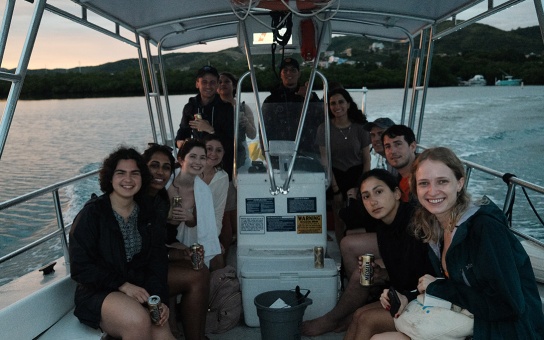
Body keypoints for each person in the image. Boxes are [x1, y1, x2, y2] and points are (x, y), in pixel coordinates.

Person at [372, 147, 544, 339]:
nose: (432, 191)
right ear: (415, 189)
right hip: (472, 322)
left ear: (460, 183)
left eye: (442, 181)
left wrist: (438, 288)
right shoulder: (435, 228)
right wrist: (407, 297)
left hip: (506, 331)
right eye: (424, 183)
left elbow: (508, 305)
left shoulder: (485, 230)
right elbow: (451, 284)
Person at [303, 169, 432, 337]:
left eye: (379, 192)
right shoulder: (385, 225)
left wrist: (385, 277)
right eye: (366, 196)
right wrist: (383, 275)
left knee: (364, 318)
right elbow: (402, 271)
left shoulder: (413, 225)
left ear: (397, 193)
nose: (373, 201)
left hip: (426, 297)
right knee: (357, 315)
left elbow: (415, 277)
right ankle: (337, 317)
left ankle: (332, 319)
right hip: (408, 290)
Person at [69, 146, 174, 340]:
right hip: (98, 291)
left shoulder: (147, 213)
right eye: (121, 173)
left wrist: (159, 299)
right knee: (137, 321)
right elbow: (80, 267)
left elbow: (157, 261)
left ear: (142, 178)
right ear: (110, 178)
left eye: (135, 173)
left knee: (162, 332)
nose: (128, 179)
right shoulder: (92, 215)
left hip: (138, 287)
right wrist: (122, 285)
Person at [143, 144, 210, 340]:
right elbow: (142, 248)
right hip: (136, 274)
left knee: (200, 267)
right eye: (154, 165)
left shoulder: (160, 197)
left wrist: (179, 249)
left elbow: (162, 236)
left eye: (165, 167)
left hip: (153, 262)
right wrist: (173, 253)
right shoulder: (137, 200)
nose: (160, 172)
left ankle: (193, 334)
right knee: (197, 276)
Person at [340, 124, 417, 282]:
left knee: (352, 251)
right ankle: (365, 291)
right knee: (350, 234)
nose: (392, 151)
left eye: (398, 144)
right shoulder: (400, 176)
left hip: (410, 244)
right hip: (398, 233)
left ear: (413, 146)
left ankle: (362, 288)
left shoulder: (420, 180)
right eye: (388, 146)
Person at [315, 87, 371, 244]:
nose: (337, 106)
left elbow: (367, 160)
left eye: (341, 102)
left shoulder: (360, 127)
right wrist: (336, 190)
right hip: (335, 176)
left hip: (357, 175)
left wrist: (362, 187)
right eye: (333, 103)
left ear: (348, 104)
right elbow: (325, 161)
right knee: (340, 220)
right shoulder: (323, 129)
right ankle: (344, 258)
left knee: (357, 221)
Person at [166, 139, 222, 270]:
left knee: (210, 258)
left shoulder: (202, 191)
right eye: (192, 156)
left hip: (174, 237)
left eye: (202, 158)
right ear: (181, 160)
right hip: (156, 235)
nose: (198, 162)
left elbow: (196, 223)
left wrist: (189, 217)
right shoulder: (166, 183)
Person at [175, 66, 235, 180]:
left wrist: (210, 130)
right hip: (198, 164)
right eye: (204, 82)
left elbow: (231, 140)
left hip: (222, 163)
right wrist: (182, 144)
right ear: (197, 84)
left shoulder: (227, 108)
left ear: (217, 85)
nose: (208, 86)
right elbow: (182, 133)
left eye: (212, 82)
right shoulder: (190, 107)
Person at [262, 57, 322, 160]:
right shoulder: (271, 100)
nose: (289, 73)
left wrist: (311, 97)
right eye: (285, 70)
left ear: (299, 74)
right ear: (280, 74)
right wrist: (267, 156)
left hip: (308, 154)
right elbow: (263, 130)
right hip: (279, 156)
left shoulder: (310, 97)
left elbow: (322, 119)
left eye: (293, 70)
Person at [217, 71, 257, 168]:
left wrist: (246, 122)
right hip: (217, 153)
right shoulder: (212, 108)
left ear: (234, 86)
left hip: (240, 154)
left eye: (227, 82)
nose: (223, 84)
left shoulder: (244, 108)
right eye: (220, 82)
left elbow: (252, 135)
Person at [200, 134, 229, 265]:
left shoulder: (222, 177)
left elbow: (218, 213)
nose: (213, 153)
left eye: (219, 150)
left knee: (217, 258)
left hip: (208, 230)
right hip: (185, 226)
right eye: (209, 149)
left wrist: (213, 240)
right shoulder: (189, 172)